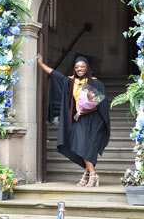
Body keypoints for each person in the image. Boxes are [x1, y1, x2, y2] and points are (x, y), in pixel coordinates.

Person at [36, 53, 110, 187]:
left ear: (87, 68)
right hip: (80, 119)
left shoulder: (94, 82)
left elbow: (98, 104)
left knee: (86, 146)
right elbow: (55, 74)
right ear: (74, 69)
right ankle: (91, 174)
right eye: (77, 67)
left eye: (82, 66)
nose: (79, 69)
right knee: (81, 145)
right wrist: (41, 64)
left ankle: (89, 174)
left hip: (94, 119)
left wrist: (83, 111)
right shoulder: (71, 82)